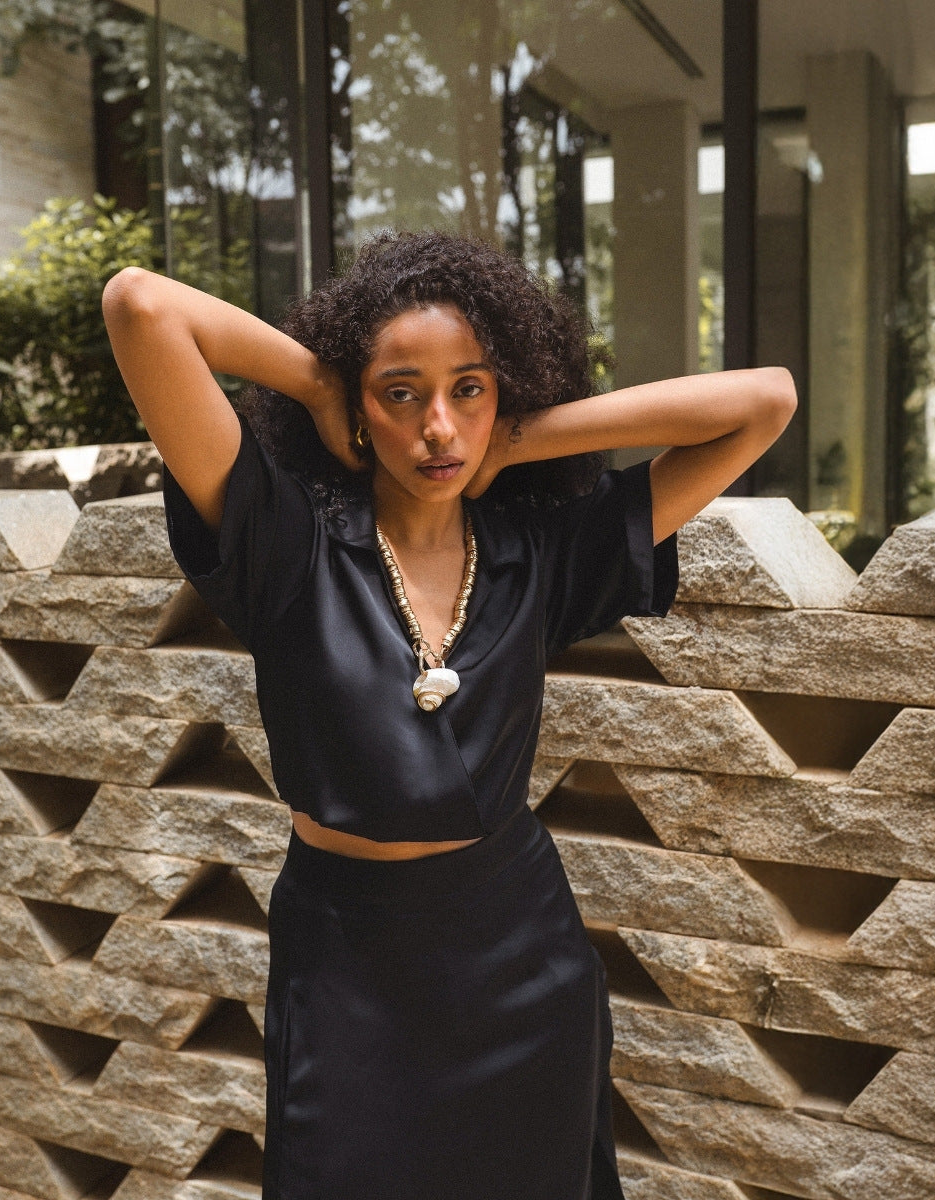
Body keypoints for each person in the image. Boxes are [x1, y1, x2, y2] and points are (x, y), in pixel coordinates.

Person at [101, 229, 796, 1200]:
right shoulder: (285, 542)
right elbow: (141, 306)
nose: (438, 426)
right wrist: (320, 386)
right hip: (346, 964)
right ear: (360, 406)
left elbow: (765, 402)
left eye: (469, 388)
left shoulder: (543, 552)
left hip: (521, 957)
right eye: (401, 394)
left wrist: (517, 437)